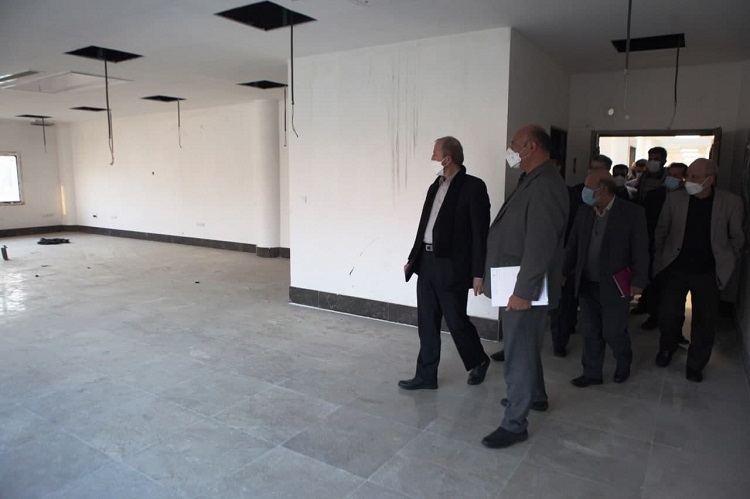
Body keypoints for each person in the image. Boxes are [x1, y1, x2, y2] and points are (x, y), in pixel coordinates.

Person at [480, 125, 568, 448]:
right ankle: (537, 397)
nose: (510, 148)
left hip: (524, 286)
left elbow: (540, 245)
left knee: (518, 353)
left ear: (531, 147)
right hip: (515, 280)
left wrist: (522, 292)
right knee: (525, 346)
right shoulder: (532, 179)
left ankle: (515, 423)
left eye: (514, 144)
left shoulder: (545, 185)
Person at [399, 136, 491, 390]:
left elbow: (480, 233)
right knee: (426, 321)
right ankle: (426, 375)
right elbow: (425, 226)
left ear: (447, 159)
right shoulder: (435, 186)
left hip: (453, 266)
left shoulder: (473, 187)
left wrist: (478, 272)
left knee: (455, 320)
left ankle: (479, 360)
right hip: (426, 262)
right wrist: (413, 258)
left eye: (435, 154)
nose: (432, 158)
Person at [653, 158, 744, 382]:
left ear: (709, 179)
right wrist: (661, 261)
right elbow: (661, 231)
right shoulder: (675, 199)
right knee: (668, 314)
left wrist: (726, 262)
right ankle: (667, 347)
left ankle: (696, 363)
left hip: (708, 272)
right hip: (675, 269)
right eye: (688, 176)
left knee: (704, 321)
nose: (689, 180)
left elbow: (737, 239)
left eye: (695, 177)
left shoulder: (730, 202)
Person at [564, 170, 648, 386]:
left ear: (602, 190)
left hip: (616, 284)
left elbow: (641, 250)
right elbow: (573, 244)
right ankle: (592, 373)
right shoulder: (584, 211)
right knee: (590, 331)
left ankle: (623, 361)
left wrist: (639, 281)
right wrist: (564, 271)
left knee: (613, 331)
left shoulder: (631, 213)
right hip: (587, 282)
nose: (584, 191)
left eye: (588, 187)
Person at [639, 162, 688, 331]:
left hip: (678, 249)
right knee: (655, 283)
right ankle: (654, 315)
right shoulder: (654, 195)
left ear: (684, 179)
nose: (672, 179)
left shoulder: (689, 198)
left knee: (676, 291)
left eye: (677, 176)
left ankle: (675, 327)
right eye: (670, 175)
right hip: (655, 244)